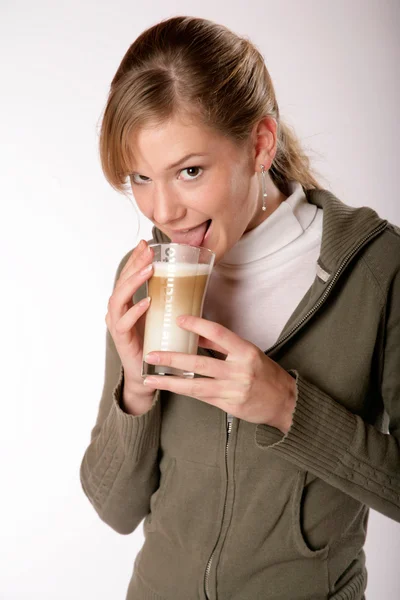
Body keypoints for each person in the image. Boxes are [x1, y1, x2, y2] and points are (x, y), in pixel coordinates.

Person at [80, 15, 400, 600]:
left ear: (259, 145)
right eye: (141, 178)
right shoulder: (147, 278)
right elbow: (114, 510)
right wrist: (134, 388)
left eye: (190, 171)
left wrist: (287, 407)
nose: (163, 210)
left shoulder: (376, 269)